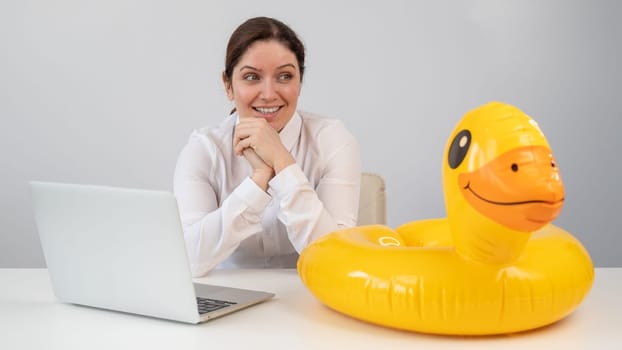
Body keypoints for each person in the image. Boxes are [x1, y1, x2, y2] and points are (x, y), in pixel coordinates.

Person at [173, 16, 361, 277]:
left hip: (309, 299)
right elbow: (188, 259)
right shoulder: (204, 149)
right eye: (251, 77)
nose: (269, 93)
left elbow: (339, 260)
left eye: (285, 76)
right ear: (228, 85)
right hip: (229, 299)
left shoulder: (332, 139)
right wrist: (259, 180)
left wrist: (283, 163)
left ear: (300, 82)